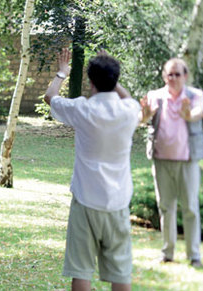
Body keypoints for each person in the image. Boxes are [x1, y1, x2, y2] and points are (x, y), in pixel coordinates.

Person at [44, 49, 140, 291]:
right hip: (118, 203)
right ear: (115, 80)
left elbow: (49, 96)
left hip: (86, 202)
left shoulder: (82, 109)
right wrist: (111, 74)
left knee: (81, 271)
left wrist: (61, 72)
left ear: (90, 81)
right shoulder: (129, 111)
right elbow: (127, 97)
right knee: (120, 274)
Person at [140, 58, 203, 268]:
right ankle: (167, 253)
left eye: (177, 74)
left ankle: (194, 255)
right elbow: (143, 119)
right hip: (161, 160)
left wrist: (188, 114)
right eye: (169, 74)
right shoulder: (155, 95)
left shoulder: (195, 95)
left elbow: (198, 113)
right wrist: (144, 116)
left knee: (191, 208)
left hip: (187, 161)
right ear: (164, 76)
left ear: (185, 76)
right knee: (166, 208)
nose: (173, 78)